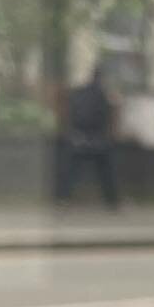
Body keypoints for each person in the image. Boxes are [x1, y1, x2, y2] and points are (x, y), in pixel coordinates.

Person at [61, 63, 120, 208]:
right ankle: (112, 202)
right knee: (106, 171)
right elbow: (105, 116)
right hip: (98, 140)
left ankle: (64, 198)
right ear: (102, 77)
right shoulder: (103, 94)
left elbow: (71, 113)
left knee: (73, 171)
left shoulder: (80, 92)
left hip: (79, 139)